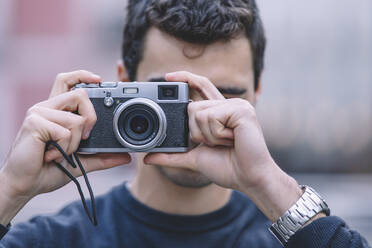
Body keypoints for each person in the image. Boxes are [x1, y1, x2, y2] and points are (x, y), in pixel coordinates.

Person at [0, 0, 370, 247]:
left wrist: (271, 188)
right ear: (123, 82)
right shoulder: (54, 239)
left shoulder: (294, 236)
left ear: (257, 91)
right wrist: (10, 190)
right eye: (168, 94)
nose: (197, 116)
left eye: (223, 95)